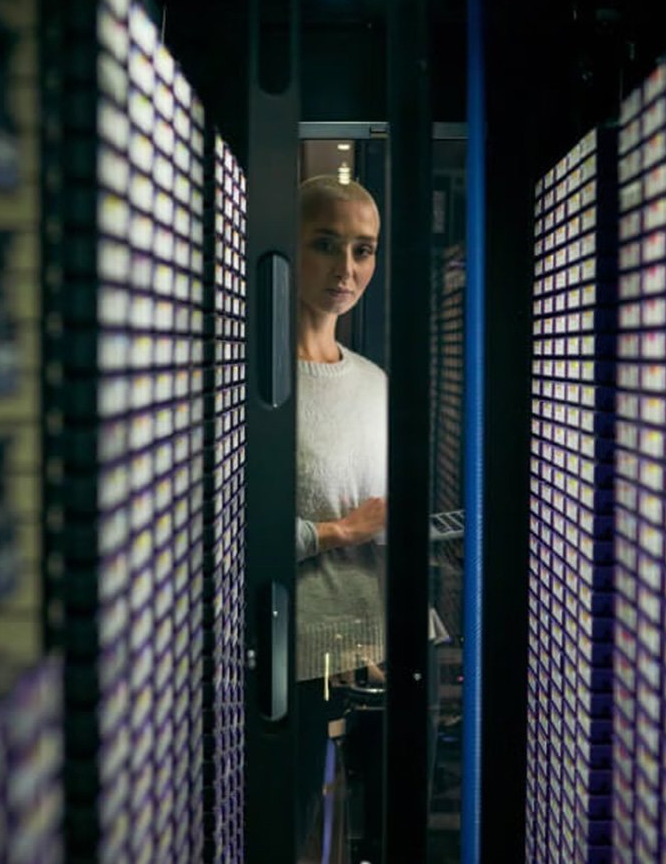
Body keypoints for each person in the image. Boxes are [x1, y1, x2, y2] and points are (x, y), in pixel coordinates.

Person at [293, 174, 388, 856]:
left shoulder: (374, 381)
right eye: (327, 245)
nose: (347, 269)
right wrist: (342, 530)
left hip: (373, 660)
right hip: (291, 666)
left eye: (363, 250)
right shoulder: (249, 377)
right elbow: (224, 532)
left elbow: (378, 512)